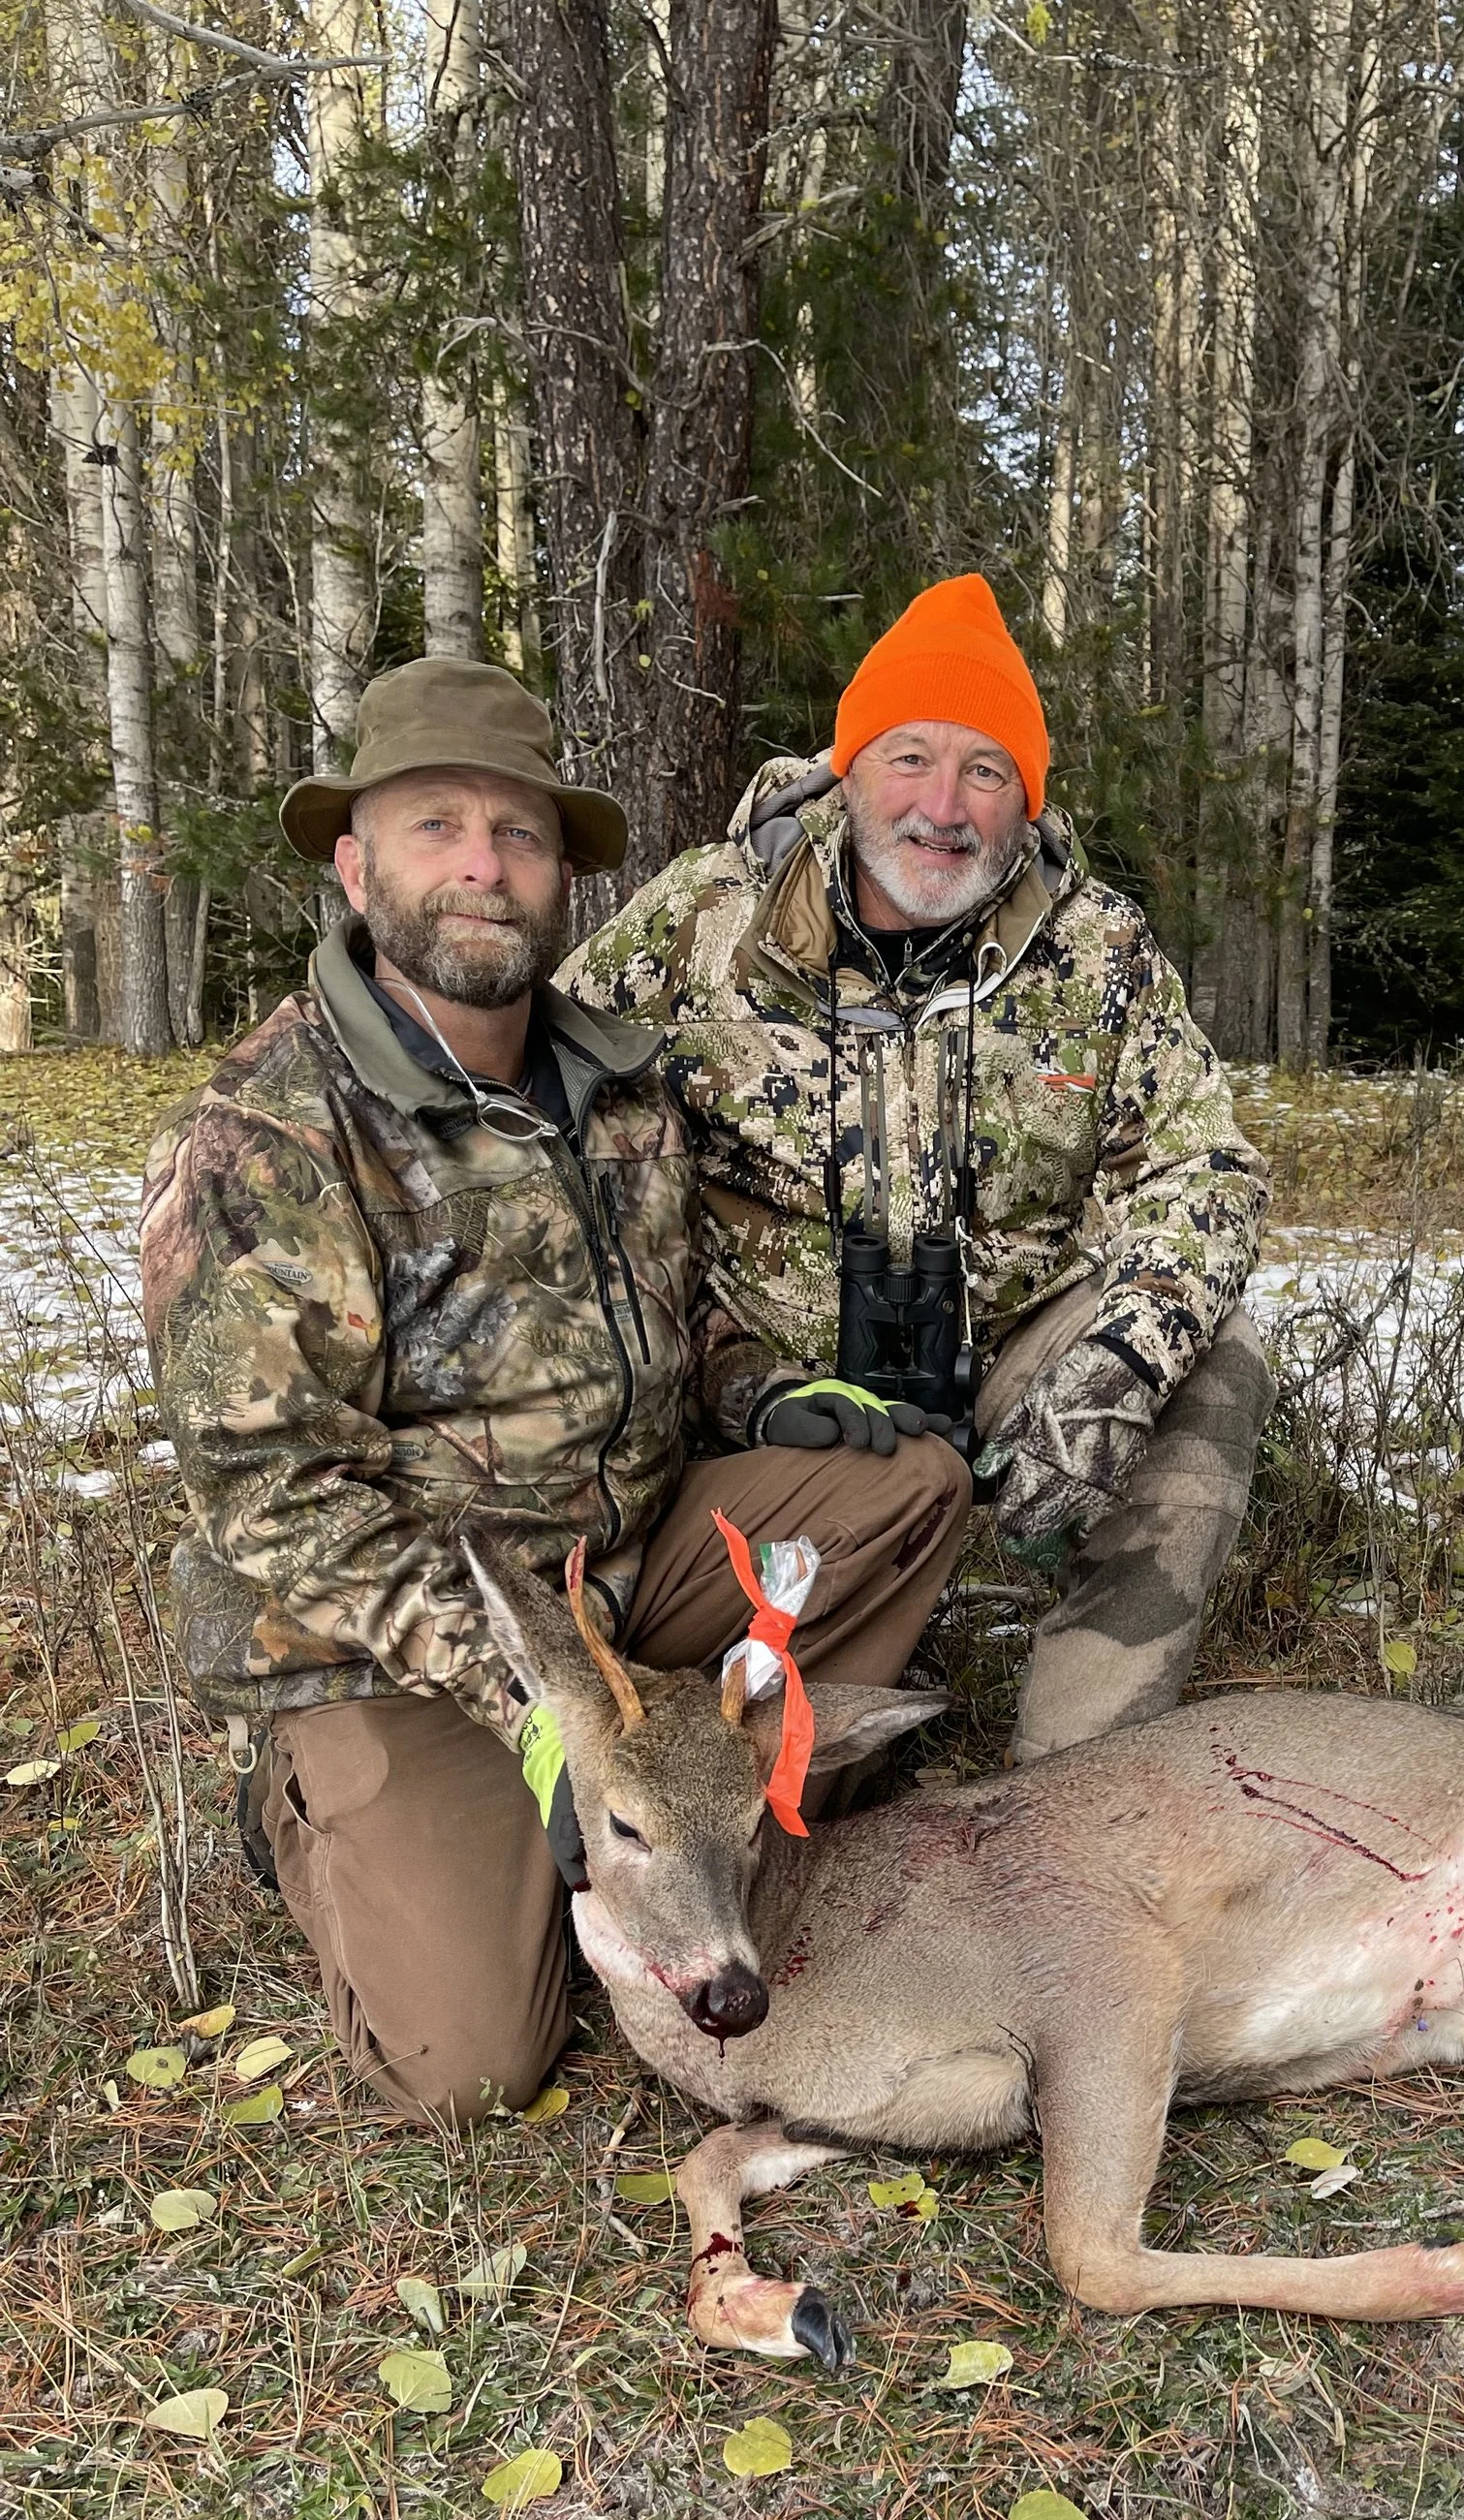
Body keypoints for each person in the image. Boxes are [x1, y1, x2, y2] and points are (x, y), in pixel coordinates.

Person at [140, 659, 973, 2120]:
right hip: (397, 1646)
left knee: (908, 1490)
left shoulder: (617, 1085)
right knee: (472, 2066)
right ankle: (313, 1804)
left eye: (519, 835)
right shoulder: (263, 1134)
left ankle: (702, 1817)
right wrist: (546, 1714)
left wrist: (770, 1396)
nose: (482, 866)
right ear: (355, 863)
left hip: (629, 1574)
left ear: (565, 876)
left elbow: (675, 1324)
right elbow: (272, 1496)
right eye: (435, 827)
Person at [559, 574, 1271, 1762]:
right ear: (847, 770)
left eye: (985, 770)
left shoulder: (1095, 951)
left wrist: (1117, 1361)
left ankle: (1079, 1774)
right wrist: (713, 1362)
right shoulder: (700, 919)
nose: (943, 806)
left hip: (995, 1358)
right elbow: (542, 1111)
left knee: (1214, 1358)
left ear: (1024, 799)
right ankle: (621, 1701)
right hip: (752, 1373)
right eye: (908, 758)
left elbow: (1207, 1166)